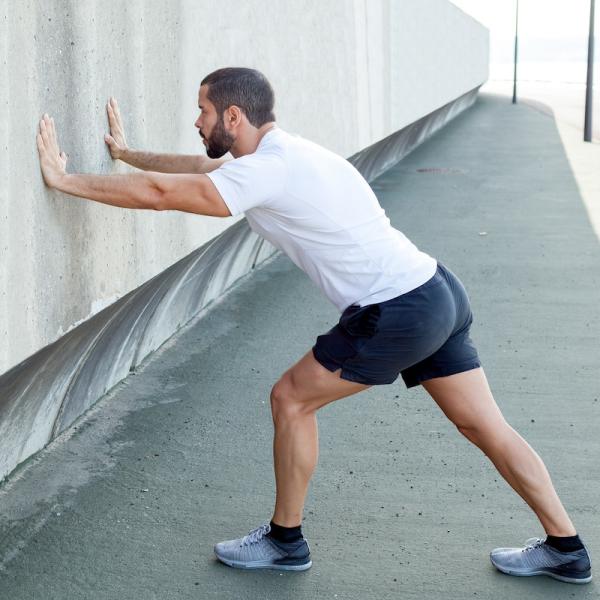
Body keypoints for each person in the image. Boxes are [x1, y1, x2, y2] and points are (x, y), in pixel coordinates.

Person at [36, 67, 592, 584]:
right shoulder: (288, 155)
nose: (196, 122)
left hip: (395, 309)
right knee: (485, 426)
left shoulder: (270, 169)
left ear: (233, 117)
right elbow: (196, 169)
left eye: (202, 111)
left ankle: (285, 540)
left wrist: (64, 181)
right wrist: (128, 154)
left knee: (291, 400)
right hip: (436, 289)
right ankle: (566, 549)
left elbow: (164, 197)